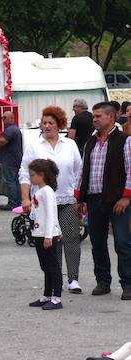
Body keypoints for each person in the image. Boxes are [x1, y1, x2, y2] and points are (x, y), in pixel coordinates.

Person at [20, 108, 82, 295]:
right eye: (44, 123)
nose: (46, 126)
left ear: (59, 125)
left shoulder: (70, 144)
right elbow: (24, 172)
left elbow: (79, 171)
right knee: (51, 241)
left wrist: (80, 197)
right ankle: (56, 281)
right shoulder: (34, 146)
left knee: (71, 239)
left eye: (51, 123)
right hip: (43, 203)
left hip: (68, 199)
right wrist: (25, 198)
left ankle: (73, 279)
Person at [76, 101, 131, 300]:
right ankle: (103, 281)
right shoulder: (90, 142)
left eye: (98, 116)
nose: (94, 119)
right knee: (97, 242)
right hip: (93, 198)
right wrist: (79, 198)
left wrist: (126, 197)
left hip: (117, 199)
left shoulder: (124, 140)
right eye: (94, 116)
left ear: (111, 117)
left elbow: (130, 169)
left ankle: (128, 284)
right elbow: (84, 171)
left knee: (123, 242)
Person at [25, 158, 64, 310]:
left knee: (53, 266)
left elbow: (51, 214)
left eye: (32, 174)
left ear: (41, 175)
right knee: (45, 266)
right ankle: (47, 294)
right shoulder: (39, 191)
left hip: (46, 235)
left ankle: (57, 297)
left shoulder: (47, 192)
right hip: (39, 233)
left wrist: (50, 235)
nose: (30, 177)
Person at [0, 111, 24, 210]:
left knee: (10, 181)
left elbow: (3, 141)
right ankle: (17, 201)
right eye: (2, 117)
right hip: (14, 159)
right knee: (15, 181)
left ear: (12, 118)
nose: (2, 120)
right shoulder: (13, 129)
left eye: (4, 118)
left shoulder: (11, 130)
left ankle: (13, 202)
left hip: (9, 160)